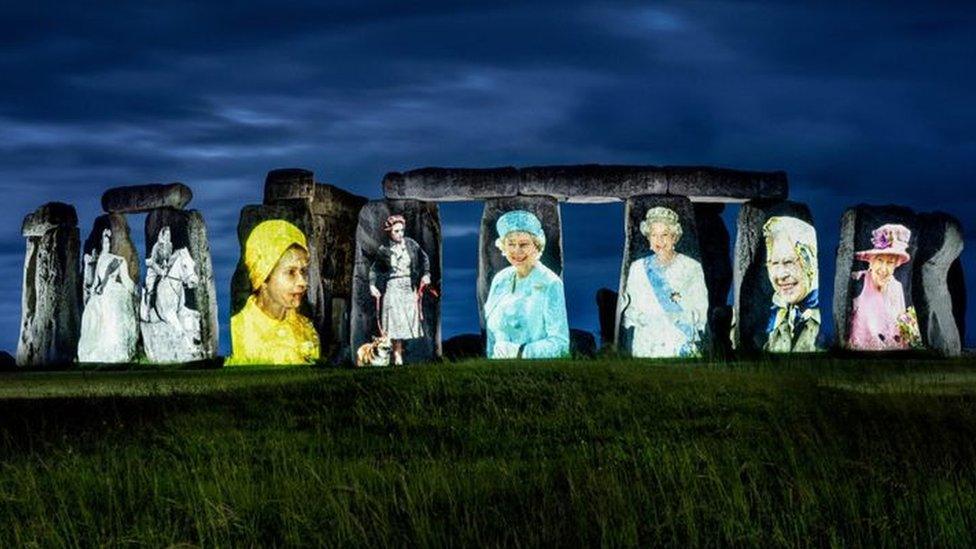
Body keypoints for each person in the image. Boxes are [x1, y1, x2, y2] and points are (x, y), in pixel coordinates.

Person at [226, 219, 320, 365]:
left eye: (303, 271)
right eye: (290, 272)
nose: (303, 282)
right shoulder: (238, 328)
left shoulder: (306, 328)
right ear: (262, 277)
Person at [620, 207, 708, 358]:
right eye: (654, 235)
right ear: (648, 238)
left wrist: (680, 315)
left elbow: (700, 304)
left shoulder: (691, 266)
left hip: (680, 335)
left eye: (664, 235)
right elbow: (630, 305)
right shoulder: (638, 268)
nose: (659, 240)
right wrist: (645, 318)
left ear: (674, 237)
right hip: (648, 339)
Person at [484, 210, 569, 359]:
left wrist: (520, 352)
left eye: (524, 244)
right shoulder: (500, 280)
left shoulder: (551, 283)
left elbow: (560, 344)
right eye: (511, 244)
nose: (517, 251)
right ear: (503, 246)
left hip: (533, 372)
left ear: (536, 246)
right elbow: (492, 337)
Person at [369, 214, 431, 366]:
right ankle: (397, 357)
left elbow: (424, 259)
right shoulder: (384, 250)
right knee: (394, 322)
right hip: (393, 287)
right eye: (396, 231)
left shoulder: (410, 244)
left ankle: (405, 354)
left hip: (409, 287)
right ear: (389, 232)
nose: (400, 234)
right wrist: (372, 285)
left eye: (401, 230)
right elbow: (374, 270)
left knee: (407, 323)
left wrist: (426, 274)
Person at [848, 223, 921, 350]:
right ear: (871, 261)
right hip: (860, 360)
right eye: (880, 260)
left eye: (890, 262)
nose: (884, 269)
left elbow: (903, 333)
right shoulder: (857, 281)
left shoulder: (897, 288)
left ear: (896, 265)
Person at [78, 228, 138, 362]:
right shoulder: (100, 260)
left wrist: (133, 289)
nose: (106, 244)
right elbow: (95, 282)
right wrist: (93, 290)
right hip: (100, 292)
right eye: (104, 241)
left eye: (108, 242)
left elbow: (126, 279)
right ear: (101, 243)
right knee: (90, 311)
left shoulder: (118, 259)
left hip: (113, 290)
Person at [763, 216, 820, 352]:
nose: (781, 275)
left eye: (789, 262)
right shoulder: (775, 317)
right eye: (774, 263)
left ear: (810, 261)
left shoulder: (823, 319)